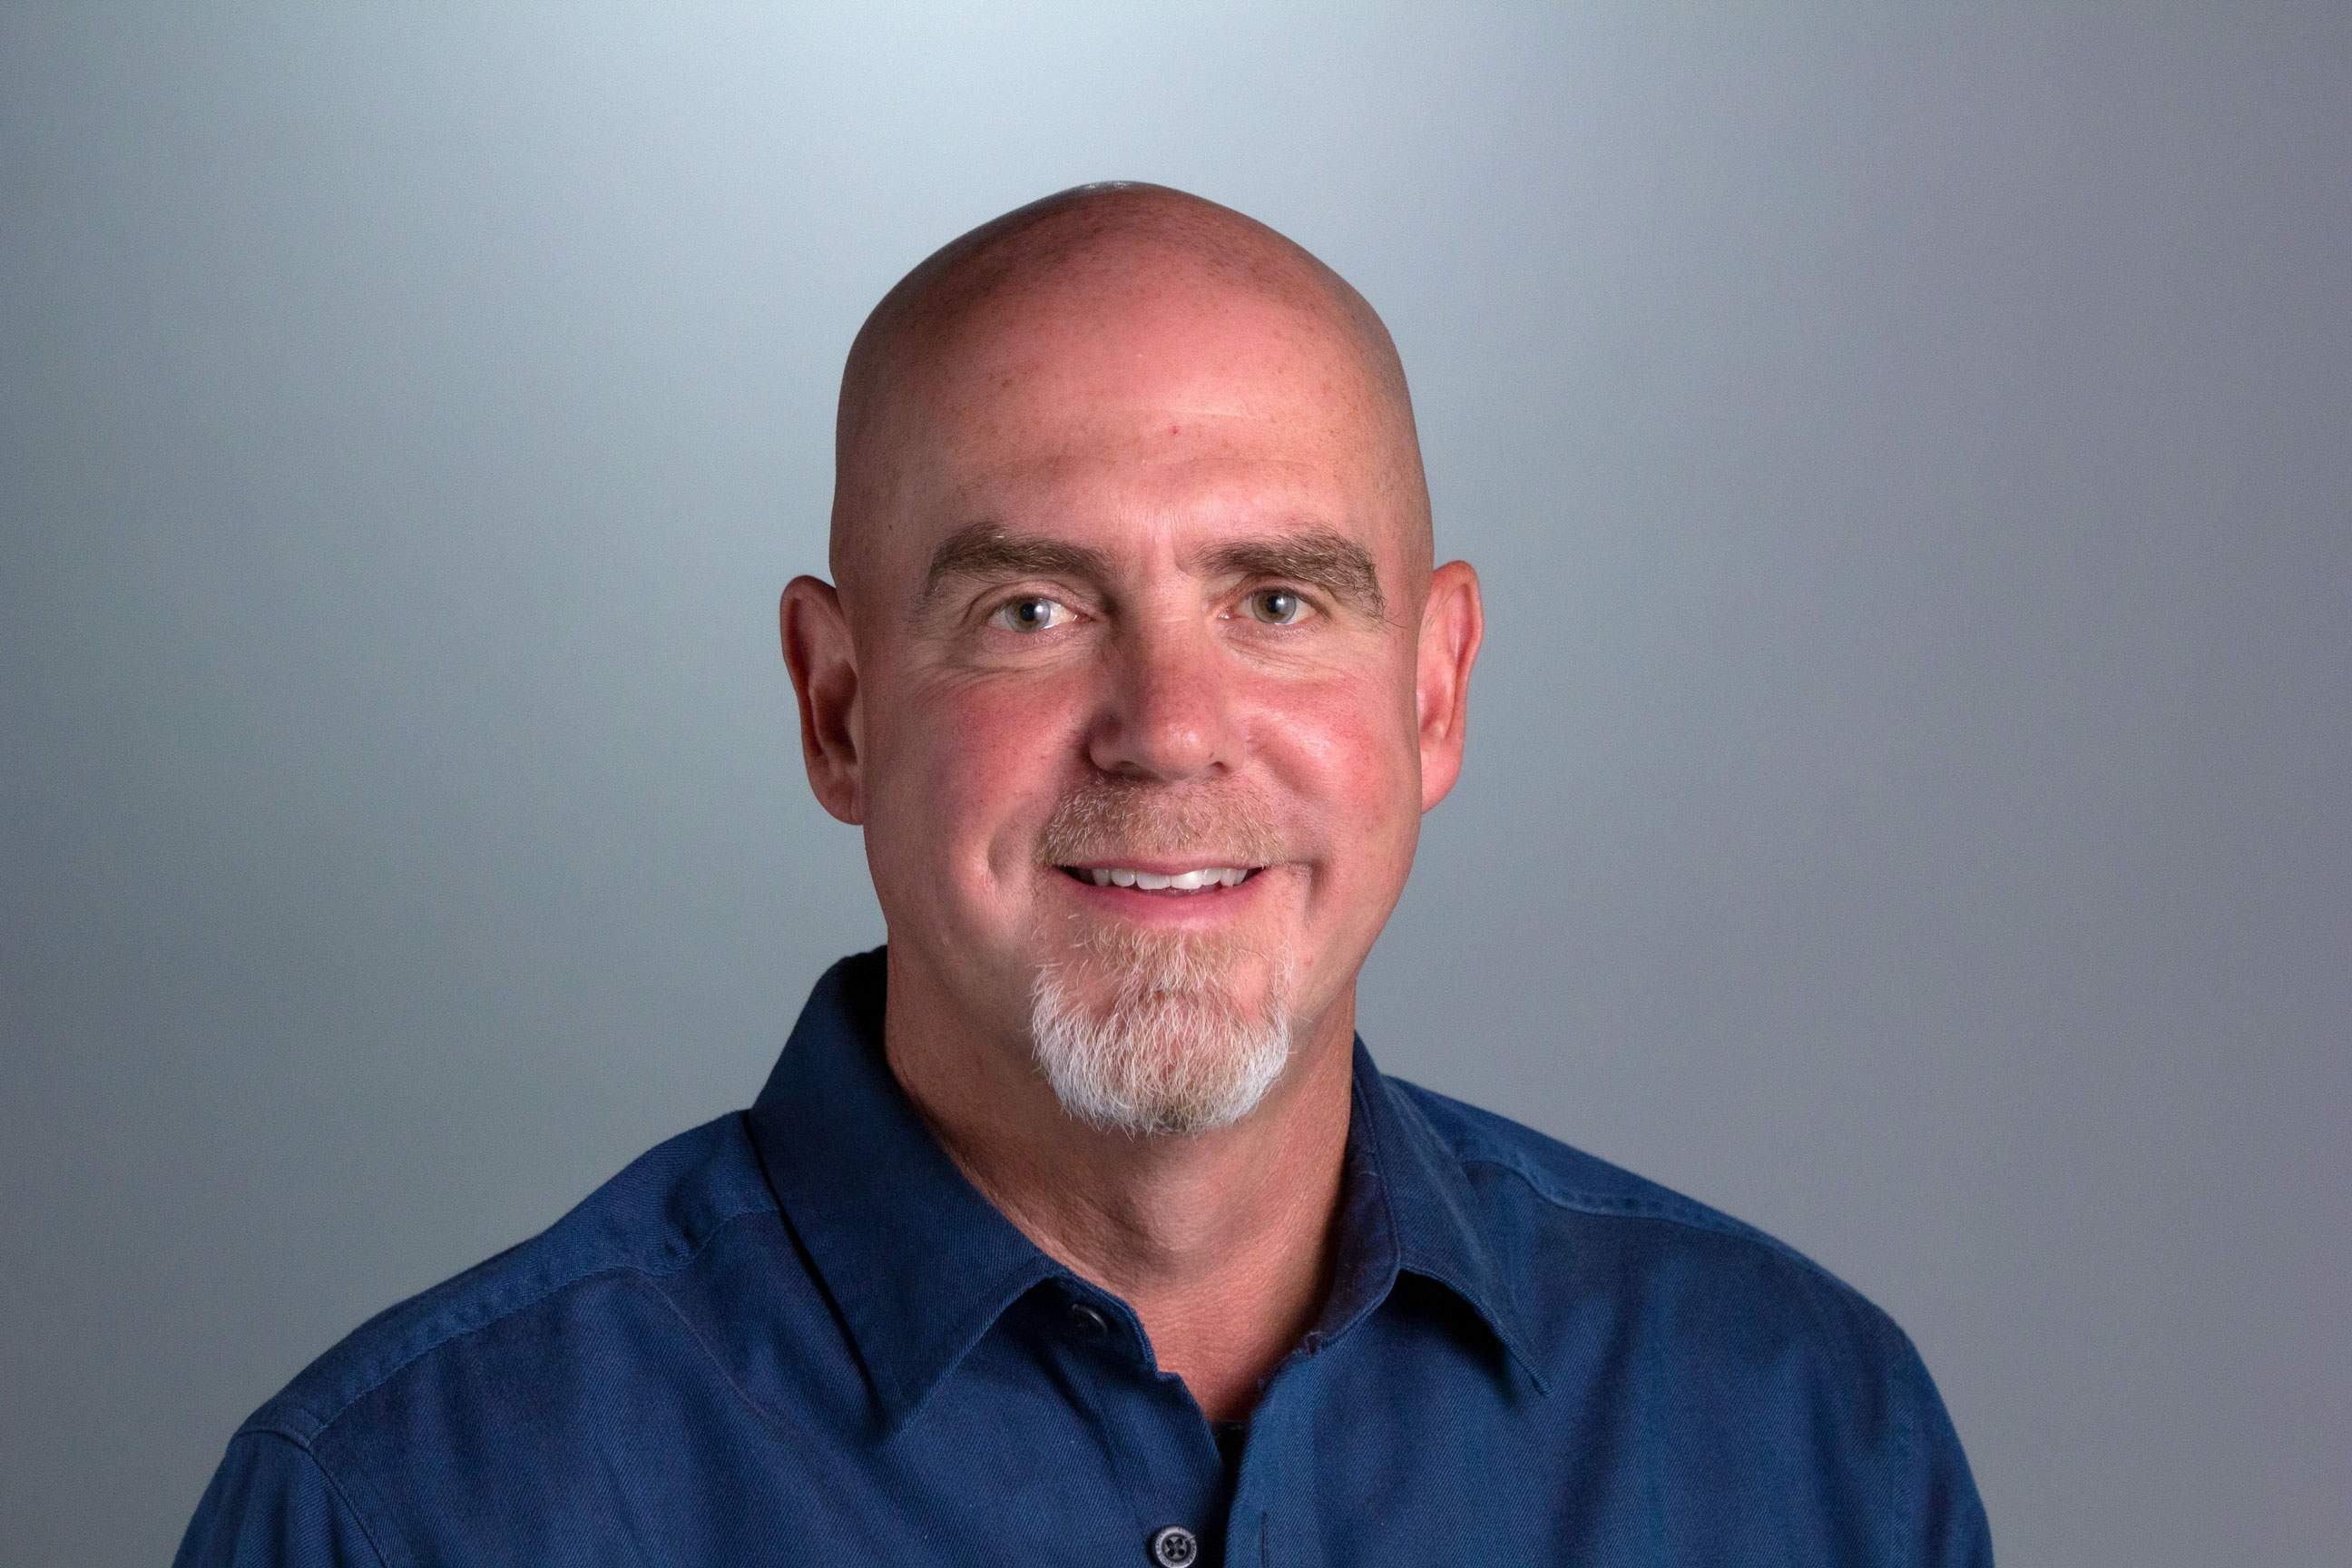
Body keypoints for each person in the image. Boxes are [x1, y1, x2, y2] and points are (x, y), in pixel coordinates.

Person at [176, 183, 1993, 1567]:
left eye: (1276, 602)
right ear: (840, 709)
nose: (1167, 728)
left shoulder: (1801, 1439)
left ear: (1432, 694)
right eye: (1033, 609)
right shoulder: (416, 1506)